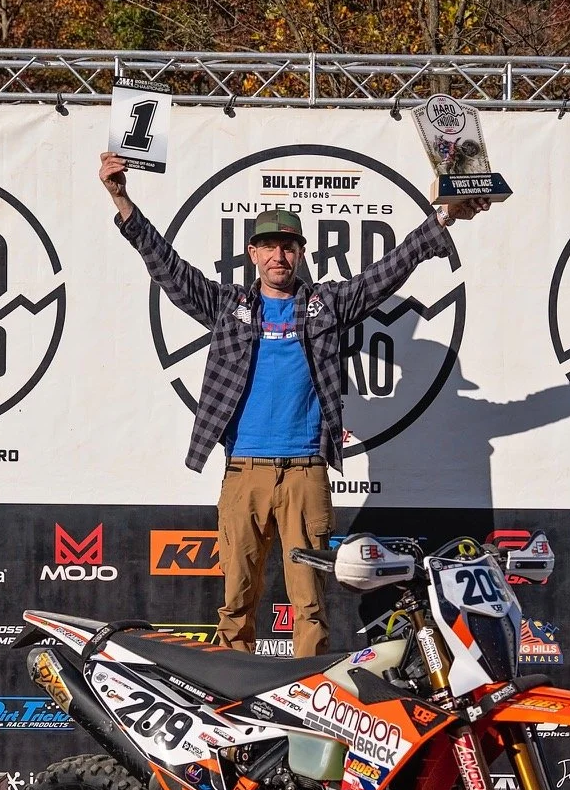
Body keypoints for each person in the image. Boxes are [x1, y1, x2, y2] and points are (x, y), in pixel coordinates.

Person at [100, 151, 489, 657]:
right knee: (236, 601)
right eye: (268, 246)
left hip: (307, 475)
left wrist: (444, 216)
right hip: (244, 473)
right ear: (252, 254)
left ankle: (311, 716)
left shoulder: (324, 306)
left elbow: (387, 271)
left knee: (309, 604)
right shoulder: (228, 307)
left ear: (301, 254)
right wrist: (120, 197)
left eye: (287, 246)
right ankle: (234, 710)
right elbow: (168, 268)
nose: (278, 256)